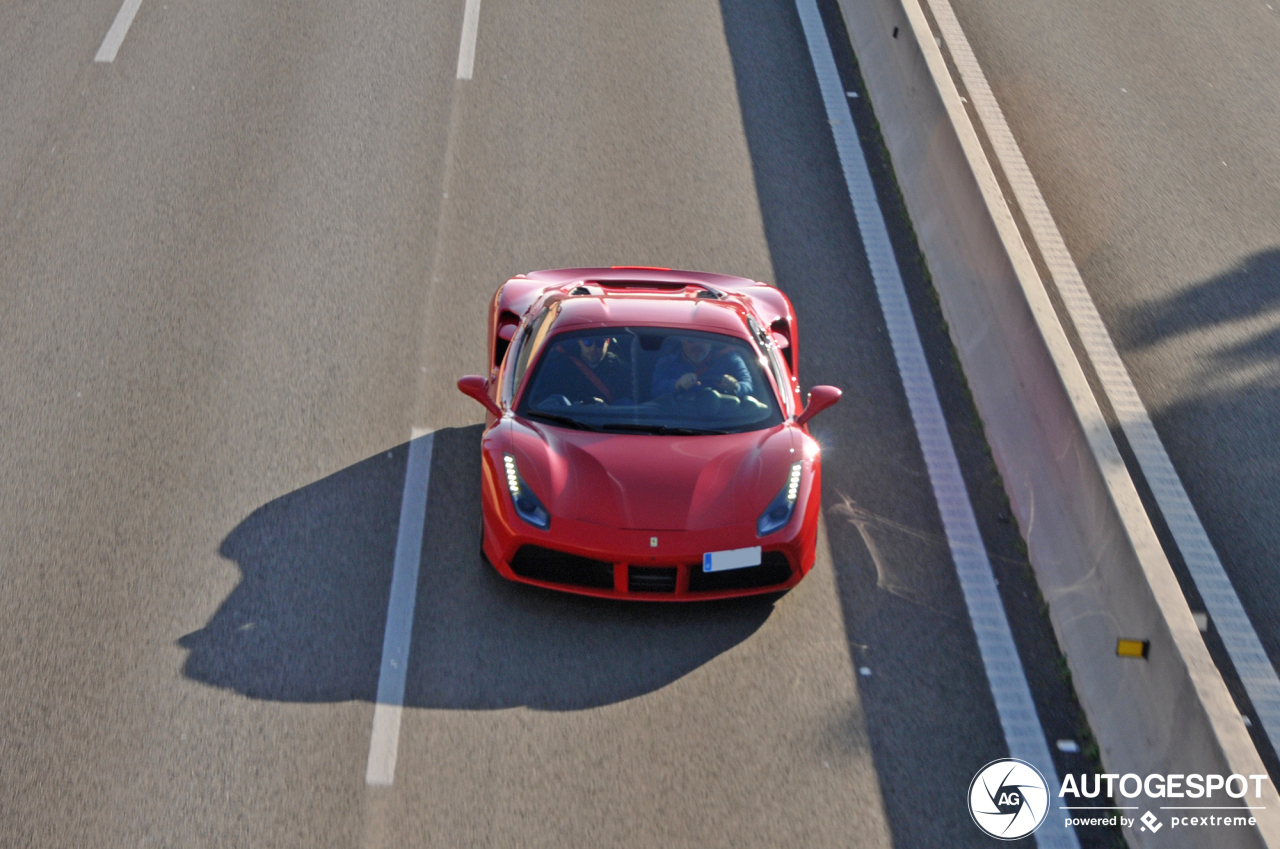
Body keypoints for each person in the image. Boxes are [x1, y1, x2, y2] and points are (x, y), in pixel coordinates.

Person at [650, 336, 753, 412]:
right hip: (678, 419)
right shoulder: (668, 362)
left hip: (725, 419)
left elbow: (749, 386)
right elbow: (655, 391)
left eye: (703, 339)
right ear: (683, 340)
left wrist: (735, 386)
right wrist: (676, 384)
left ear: (711, 342)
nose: (697, 345)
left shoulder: (729, 358)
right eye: (692, 339)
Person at [531, 335, 631, 407]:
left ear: (607, 342)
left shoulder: (619, 368)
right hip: (567, 422)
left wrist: (607, 409)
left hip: (611, 422)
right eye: (588, 342)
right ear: (579, 341)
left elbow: (630, 398)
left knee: (625, 403)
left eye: (599, 343)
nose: (593, 348)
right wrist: (574, 405)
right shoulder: (561, 365)